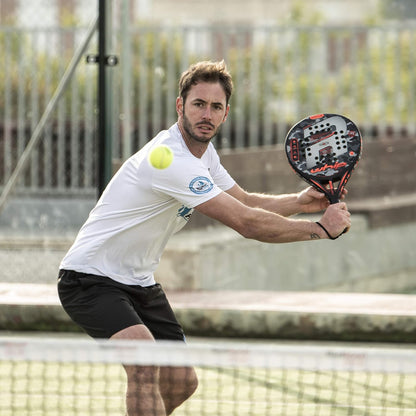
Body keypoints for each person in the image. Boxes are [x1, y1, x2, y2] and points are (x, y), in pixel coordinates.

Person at [58, 60, 351, 416]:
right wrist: (320, 229)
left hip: (139, 282)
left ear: (226, 114)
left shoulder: (204, 154)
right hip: (89, 278)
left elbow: (244, 201)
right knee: (144, 363)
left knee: (182, 382)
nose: (206, 114)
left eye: (215, 107)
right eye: (198, 104)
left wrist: (300, 202)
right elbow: (246, 222)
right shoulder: (168, 160)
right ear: (180, 106)